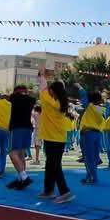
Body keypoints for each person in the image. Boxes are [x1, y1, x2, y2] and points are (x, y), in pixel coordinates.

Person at [36, 66, 75, 203]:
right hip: (59, 138)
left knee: (54, 165)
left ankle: (65, 192)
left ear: (53, 91)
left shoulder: (49, 101)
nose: (48, 90)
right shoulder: (61, 102)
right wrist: (57, 75)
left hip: (51, 138)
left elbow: (42, 86)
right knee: (51, 164)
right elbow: (59, 86)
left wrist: (42, 74)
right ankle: (49, 190)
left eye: (50, 89)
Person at [5, 85, 37, 190]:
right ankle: (20, 179)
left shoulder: (14, 98)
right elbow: (31, 97)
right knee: (21, 154)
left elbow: (11, 96)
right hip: (28, 128)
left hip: (17, 128)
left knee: (12, 153)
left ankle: (24, 177)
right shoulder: (31, 100)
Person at [75, 82, 105, 185]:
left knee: (88, 157)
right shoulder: (102, 109)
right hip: (97, 134)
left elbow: (84, 95)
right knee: (94, 156)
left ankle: (91, 177)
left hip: (88, 134)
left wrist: (80, 87)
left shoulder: (90, 106)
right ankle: (92, 176)